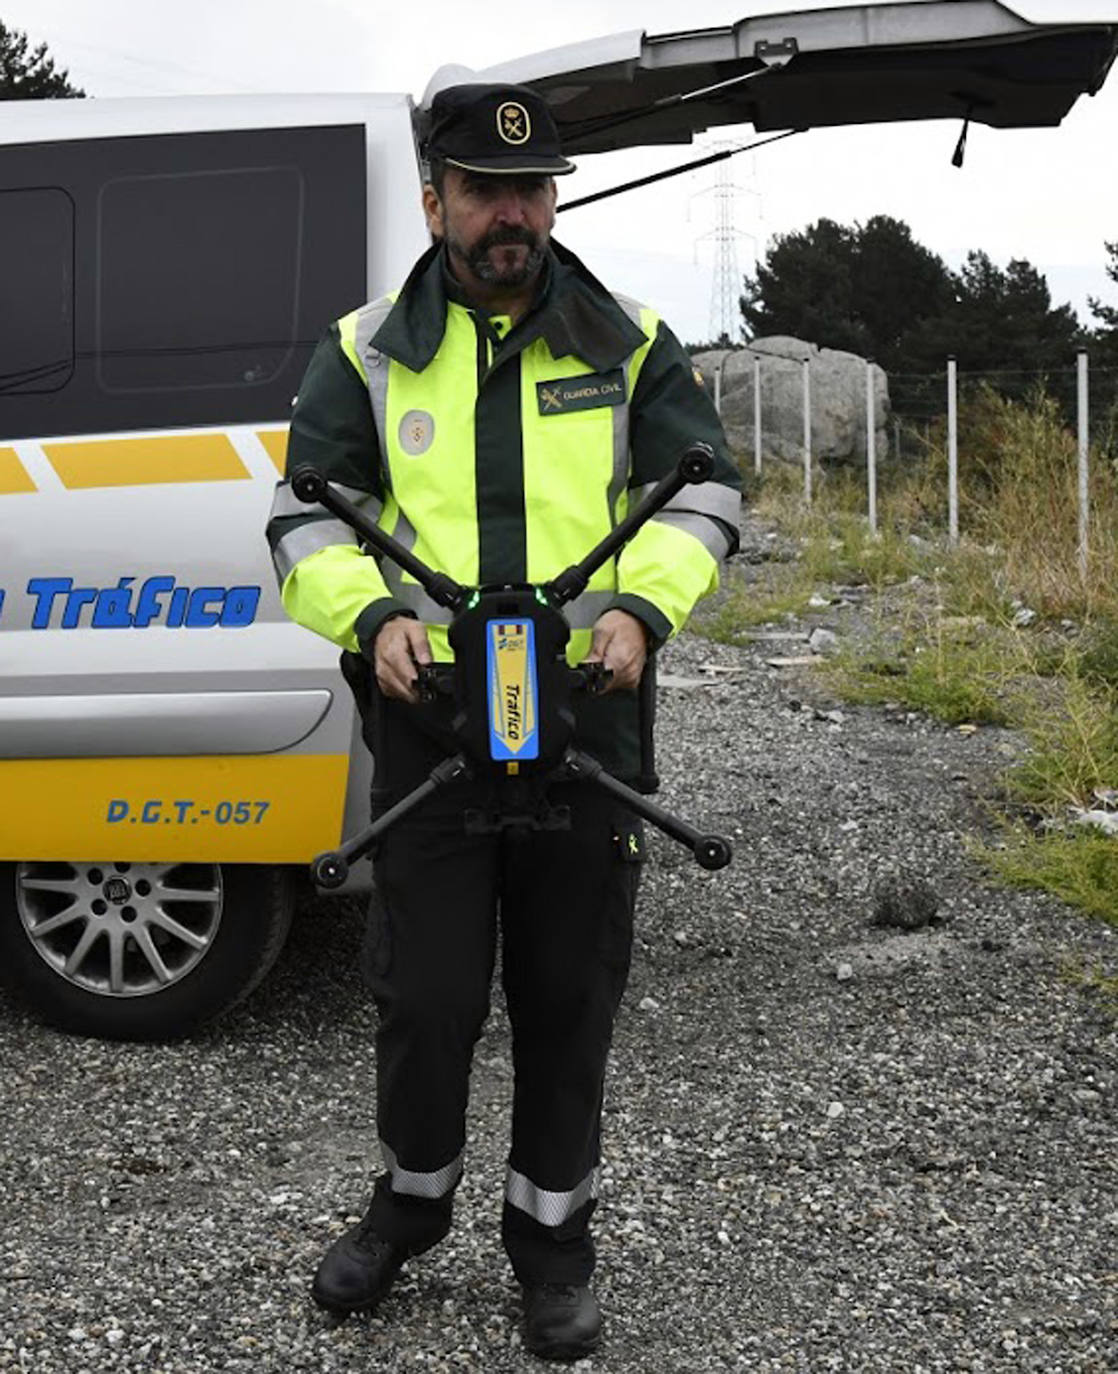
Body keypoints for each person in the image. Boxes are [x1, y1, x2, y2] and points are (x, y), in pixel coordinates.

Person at [265, 81, 741, 1362]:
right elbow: (307, 519)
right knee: (424, 997)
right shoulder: (362, 349)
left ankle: (552, 1242)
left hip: (589, 724)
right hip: (432, 726)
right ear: (434, 201)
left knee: (565, 993)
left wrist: (643, 611)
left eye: (530, 190)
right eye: (482, 190)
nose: (510, 214)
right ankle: (411, 1205)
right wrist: (376, 624)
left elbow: (702, 498)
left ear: (553, 199)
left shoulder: (632, 343)